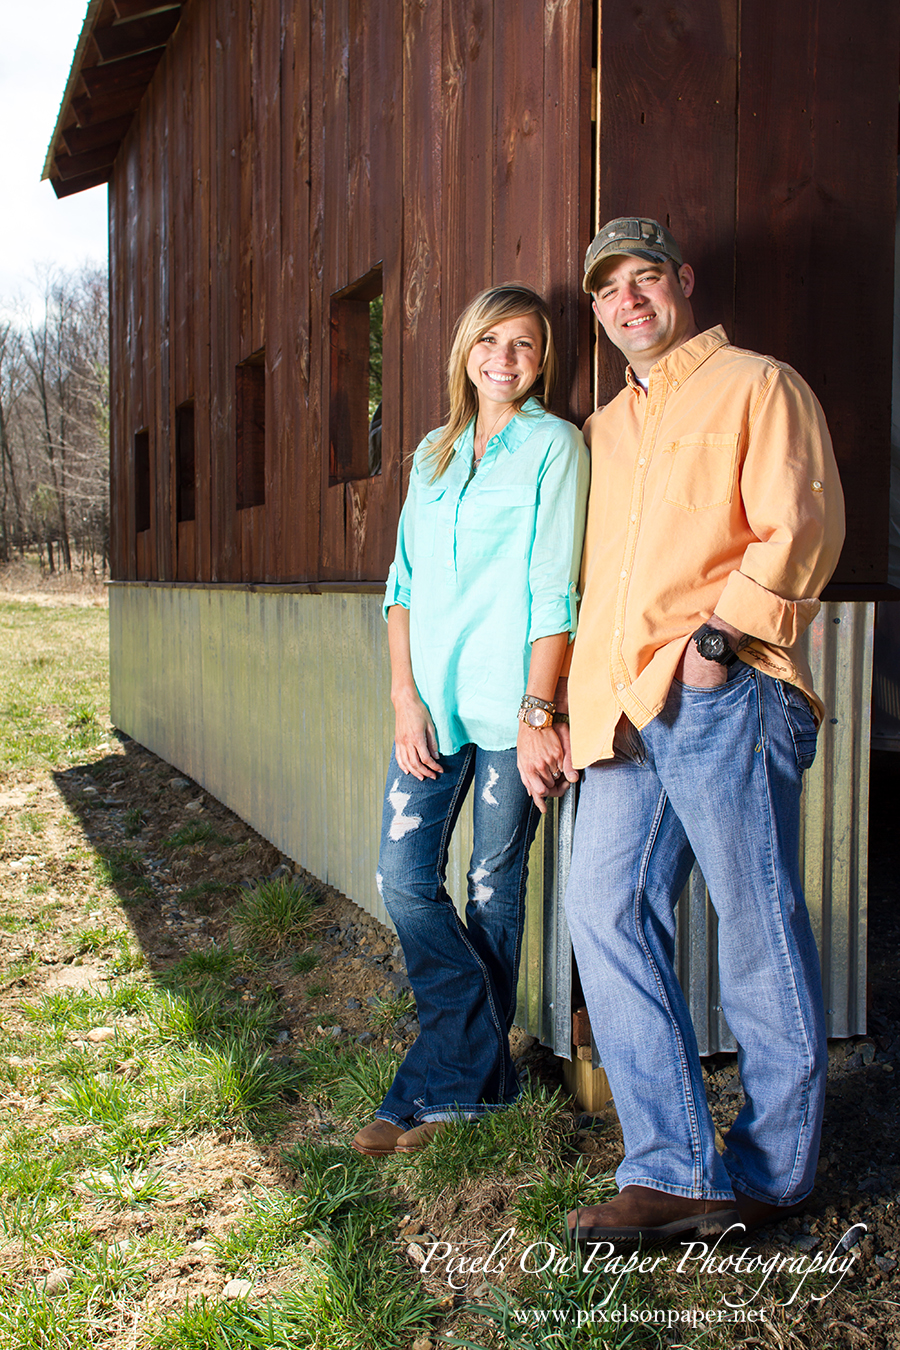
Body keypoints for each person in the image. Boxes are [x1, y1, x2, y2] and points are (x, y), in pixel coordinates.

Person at [559, 217, 845, 1243]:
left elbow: (802, 524)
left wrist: (715, 647)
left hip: (724, 689)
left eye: (644, 279)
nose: (627, 300)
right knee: (603, 911)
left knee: (755, 927)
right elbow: (595, 591)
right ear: (595, 312)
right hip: (626, 717)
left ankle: (773, 1170)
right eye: (607, 290)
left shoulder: (759, 386)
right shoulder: (603, 430)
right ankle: (680, 1170)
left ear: (681, 283)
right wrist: (568, 713)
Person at [351, 284, 589, 1158]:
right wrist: (403, 698)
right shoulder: (433, 453)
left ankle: (443, 1092)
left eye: (523, 344)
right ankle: (465, 1079)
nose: (504, 357)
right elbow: (402, 585)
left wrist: (539, 710)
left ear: (541, 360)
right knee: (403, 880)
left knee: (493, 891)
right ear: (464, 348)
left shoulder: (555, 448)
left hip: (508, 709)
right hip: (432, 707)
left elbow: (552, 587)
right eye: (490, 339)